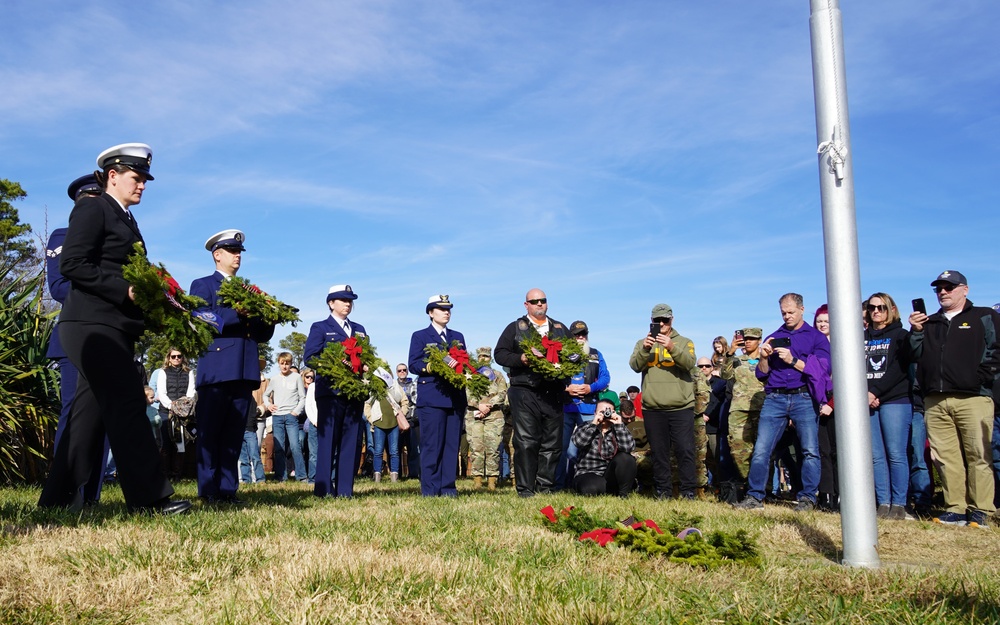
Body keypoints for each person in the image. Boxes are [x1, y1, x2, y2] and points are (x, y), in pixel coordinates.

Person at [38, 143, 189, 515]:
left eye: (144, 180)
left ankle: (56, 500)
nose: (142, 186)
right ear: (113, 176)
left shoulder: (126, 219)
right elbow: (72, 264)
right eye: (136, 178)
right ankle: (150, 499)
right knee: (126, 405)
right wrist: (125, 289)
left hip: (112, 326)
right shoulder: (93, 207)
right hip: (90, 324)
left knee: (87, 416)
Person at [190, 229, 276, 504]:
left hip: (244, 369)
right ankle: (208, 490)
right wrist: (235, 313)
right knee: (210, 432)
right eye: (232, 251)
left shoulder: (248, 291)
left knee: (232, 434)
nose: (237, 256)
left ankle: (227, 490)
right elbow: (201, 316)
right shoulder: (203, 284)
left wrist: (269, 315)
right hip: (217, 368)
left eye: (239, 252)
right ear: (217, 255)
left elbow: (261, 335)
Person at [908, 270, 999, 527]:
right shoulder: (930, 322)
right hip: (935, 400)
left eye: (949, 287)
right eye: (939, 288)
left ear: (965, 289)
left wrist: (980, 379)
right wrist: (915, 330)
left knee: (978, 455)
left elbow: (996, 351)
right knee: (945, 457)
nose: (943, 292)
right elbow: (914, 354)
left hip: (973, 398)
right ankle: (956, 508)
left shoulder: (984, 316)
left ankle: (981, 510)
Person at [734, 293, 830, 512]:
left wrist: (793, 360)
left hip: (804, 396)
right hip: (775, 397)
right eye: (783, 313)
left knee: (809, 450)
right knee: (761, 449)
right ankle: (754, 497)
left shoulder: (816, 338)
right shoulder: (774, 336)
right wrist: (765, 357)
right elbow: (762, 374)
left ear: (802, 309)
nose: (787, 316)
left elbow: (823, 370)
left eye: (791, 312)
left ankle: (807, 498)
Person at [494, 288, 573, 497]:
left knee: (552, 443)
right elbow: (500, 354)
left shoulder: (559, 328)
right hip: (525, 391)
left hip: (553, 391)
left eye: (543, 300)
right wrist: (520, 359)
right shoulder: (516, 328)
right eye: (534, 301)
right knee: (527, 441)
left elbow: (573, 355)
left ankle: (544, 487)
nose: (539, 304)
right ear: (526, 305)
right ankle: (526, 489)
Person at [302, 284, 367, 498]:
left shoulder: (359, 329)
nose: (348, 304)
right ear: (331, 303)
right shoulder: (320, 327)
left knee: (350, 441)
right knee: (328, 441)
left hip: (354, 392)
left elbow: (367, 356)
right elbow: (310, 356)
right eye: (343, 300)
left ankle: (345, 490)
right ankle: (323, 489)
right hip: (330, 391)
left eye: (350, 300)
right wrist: (335, 363)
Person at [628, 303, 698, 500]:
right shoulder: (642, 342)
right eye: (657, 321)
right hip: (653, 407)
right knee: (659, 453)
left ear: (672, 320)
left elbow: (689, 364)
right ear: (651, 321)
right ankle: (663, 492)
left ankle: (688, 491)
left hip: (681, 407)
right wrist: (644, 349)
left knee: (685, 451)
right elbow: (634, 365)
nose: (661, 324)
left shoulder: (684, 341)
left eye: (665, 320)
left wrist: (671, 347)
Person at [408, 295, 468, 497]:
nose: (446, 312)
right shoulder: (421, 336)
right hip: (432, 397)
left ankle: (448, 488)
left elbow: (464, 363)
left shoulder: (457, 336)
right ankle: (430, 489)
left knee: (451, 445)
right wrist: (432, 366)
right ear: (430, 313)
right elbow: (413, 364)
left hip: (455, 398)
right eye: (441, 309)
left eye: (448, 309)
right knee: (431, 445)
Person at [864, 292, 913, 520]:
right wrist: (865, 393)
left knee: (895, 453)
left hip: (895, 400)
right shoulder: (860, 337)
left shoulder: (900, 335)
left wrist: (875, 391)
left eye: (882, 307)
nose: (876, 312)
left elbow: (898, 368)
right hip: (866, 401)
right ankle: (883, 503)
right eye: (872, 308)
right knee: (876, 455)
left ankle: (899, 504)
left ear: (891, 309)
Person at [557, 320, 611, 490]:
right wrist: (566, 389)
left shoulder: (596, 354)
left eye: (583, 334)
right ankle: (559, 486)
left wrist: (590, 388)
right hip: (566, 408)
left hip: (588, 409)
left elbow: (605, 378)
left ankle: (582, 484)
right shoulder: (560, 355)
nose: (580, 337)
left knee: (586, 448)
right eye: (576, 335)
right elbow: (553, 378)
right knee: (562, 449)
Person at [719, 327, 765, 503]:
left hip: (762, 407)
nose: (748, 342)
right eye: (745, 338)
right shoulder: (737, 360)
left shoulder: (766, 358)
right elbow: (724, 375)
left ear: (759, 340)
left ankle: (764, 489)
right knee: (739, 450)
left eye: (752, 339)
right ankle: (747, 486)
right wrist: (730, 352)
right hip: (739, 410)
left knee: (762, 451)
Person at [572, 397, 637, 497]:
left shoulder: (619, 428)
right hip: (588, 472)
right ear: (595, 413)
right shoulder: (585, 426)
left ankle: (623, 494)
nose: (605, 414)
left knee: (626, 458)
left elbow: (629, 448)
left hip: (609, 474)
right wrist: (594, 424)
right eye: (601, 412)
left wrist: (619, 425)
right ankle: (610, 490)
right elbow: (579, 442)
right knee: (590, 488)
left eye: (608, 412)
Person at [465, 347, 509, 491]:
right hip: (474, 416)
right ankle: (477, 480)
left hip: (494, 416)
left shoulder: (497, 375)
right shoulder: (471, 375)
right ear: (477, 358)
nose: (483, 359)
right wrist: (479, 405)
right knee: (476, 448)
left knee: (493, 449)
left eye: (486, 356)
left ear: (490, 359)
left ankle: (492, 481)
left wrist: (488, 405)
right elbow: (466, 394)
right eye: (481, 356)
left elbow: (502, 393)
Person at [152, 348, 196, 480]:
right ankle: (165, 475)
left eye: (179, 356)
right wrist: (172, 406)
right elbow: (162, 393)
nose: (176, 359)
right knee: (165, 444)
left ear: (183, 358)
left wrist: (182, 408)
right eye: (173, 356)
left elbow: (191, 392)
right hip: (166, 412)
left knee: (181, 444)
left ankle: (177, 475)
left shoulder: (189, 372)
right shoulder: (163, 372)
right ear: (169, 358)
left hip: (184, 413)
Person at [266, 352, 307, 482]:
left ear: (290, 363)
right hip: (277, 416)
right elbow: (265, 395)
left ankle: (301, 476)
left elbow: (302, 397)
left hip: (291, 417)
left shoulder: (296, 377)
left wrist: (296, 411)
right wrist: (269, 405)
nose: (284, 366)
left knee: (295, 446)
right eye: (282, 364)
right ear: (278, 364)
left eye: (287, 363)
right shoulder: (274, 379)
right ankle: (280, 476)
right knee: (279, 448)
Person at [395, 363, 419, 479]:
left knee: (413, 449)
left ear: (407, 371)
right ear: (396, 373)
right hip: (397, 420)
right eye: (399, 370)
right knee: (396, 448)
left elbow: (415, 399)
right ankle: (397, 474)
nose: (402, 372)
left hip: (411, 419)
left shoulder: (413, 384)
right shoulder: (393, 386)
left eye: (404, 370)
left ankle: (413, 474)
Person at [301, 367, 319, 483]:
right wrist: (314, 420)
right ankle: (312, 478)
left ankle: (330, 478)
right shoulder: (312, 387)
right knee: (313, 453)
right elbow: (308, 406)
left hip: (327, 425)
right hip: (315, 424)